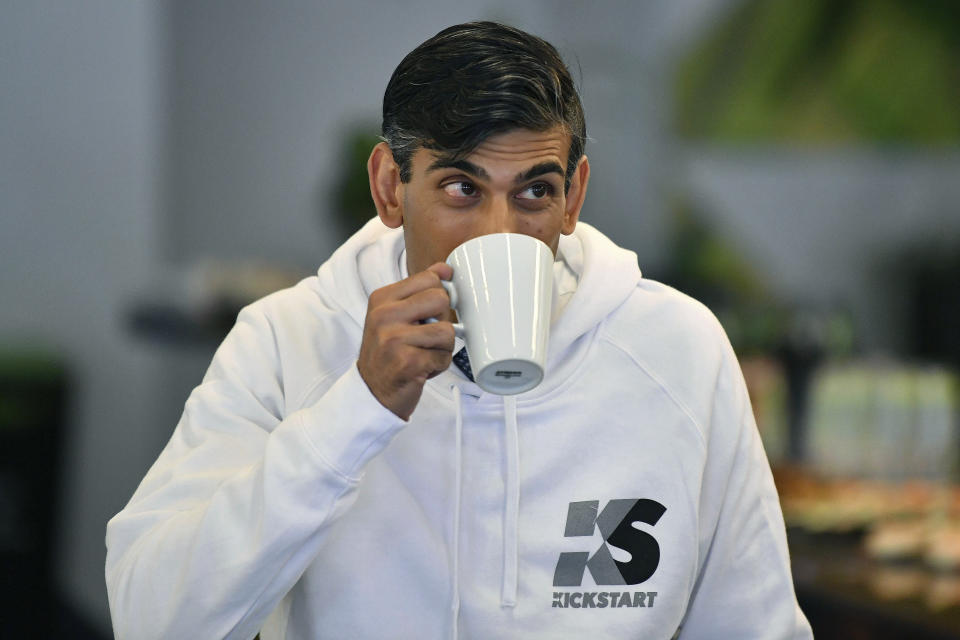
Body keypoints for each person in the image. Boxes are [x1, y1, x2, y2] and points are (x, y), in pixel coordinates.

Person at [105, 21, 812, 639]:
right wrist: (356, 409)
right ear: (389, 187)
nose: (498, 230)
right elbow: (153, 619)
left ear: (574, 198)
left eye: (535, 191)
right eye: (461, 189)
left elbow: (754, 625)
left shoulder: (676, 348)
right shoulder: (289, 340)